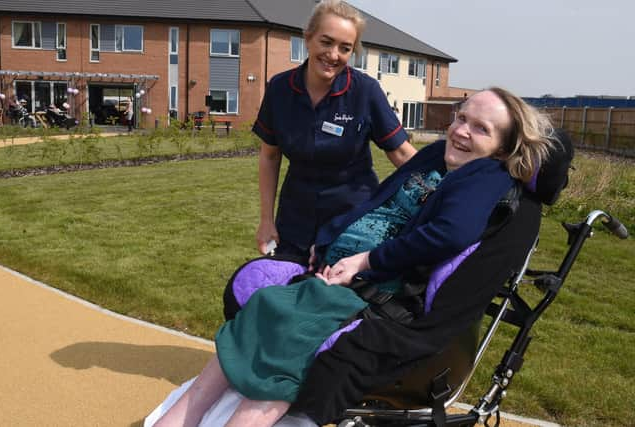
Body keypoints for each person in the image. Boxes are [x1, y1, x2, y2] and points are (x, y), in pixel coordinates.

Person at [151, 87, 554, 427]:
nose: (461, 131)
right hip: (341, 272)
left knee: (285, 327)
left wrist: (363, 263)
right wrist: (328, 242)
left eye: (480, 128)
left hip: (374, 291)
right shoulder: (439, 157)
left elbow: (451, 232)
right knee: (267, 305)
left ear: (503, 147)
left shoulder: (484, 177)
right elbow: (378, 200)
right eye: (460, 117)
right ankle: (184, 416)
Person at [253, 0, 417, 258]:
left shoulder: (365, 91)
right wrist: (266, 220)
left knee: (337, 295)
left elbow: (402, 154)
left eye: (345, 48)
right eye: (326, 42)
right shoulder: (280, 89)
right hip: (294, 221)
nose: (333, 55)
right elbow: (270, 156)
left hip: (352, 224)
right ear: (308, 39)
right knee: (286, 289)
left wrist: (449, 187)